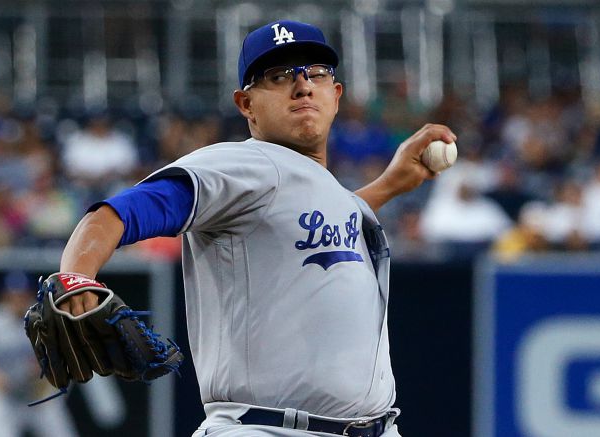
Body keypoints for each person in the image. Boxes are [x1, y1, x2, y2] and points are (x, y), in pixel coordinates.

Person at [56, 20, 456, 436]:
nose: (302, 86)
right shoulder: (240, 164)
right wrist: (75, 275)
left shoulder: (323, 194)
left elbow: (315, 217)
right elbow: (114, 214)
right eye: (278, 76)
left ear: (335, 96)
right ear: (246, 104)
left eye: (315, 73)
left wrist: (389, 185)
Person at [0, 270, 78, 437]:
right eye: (13, 295)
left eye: (22, 294)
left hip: (38, 395)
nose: (18, 300)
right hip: (5, 397)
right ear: (3, 296)